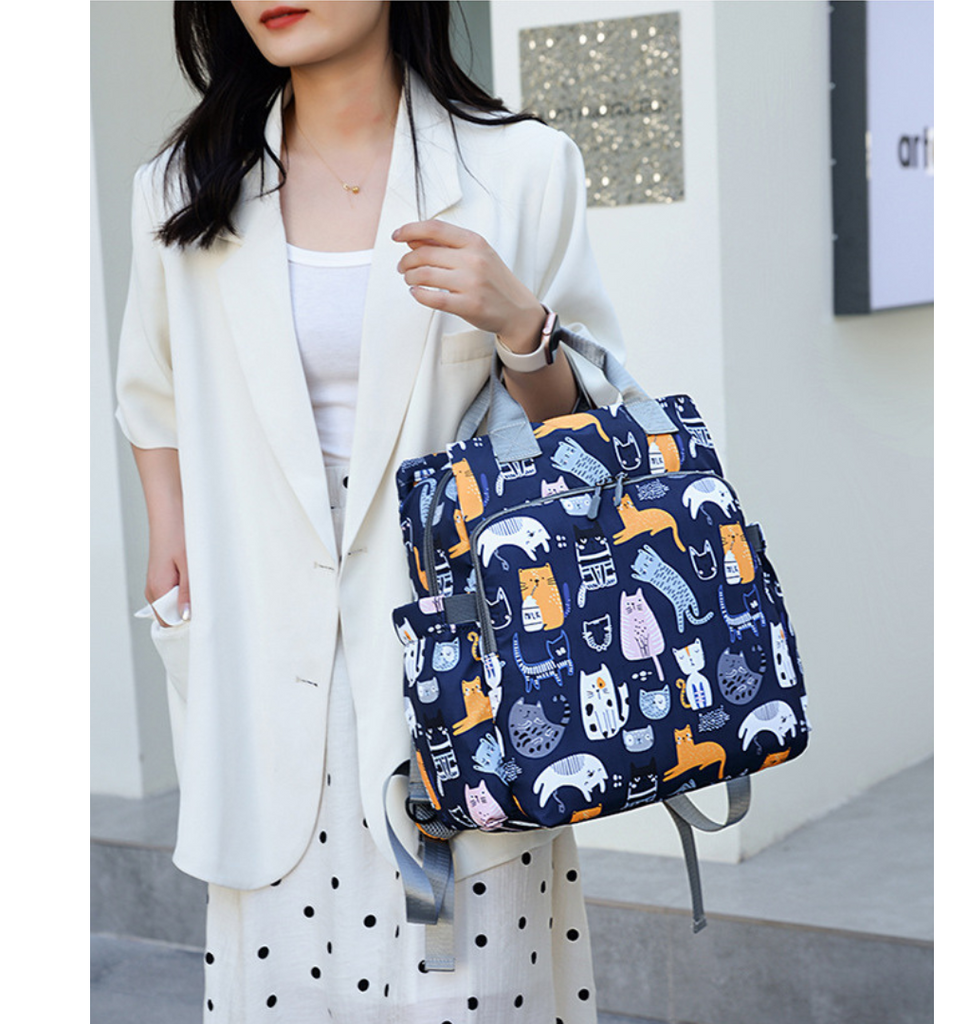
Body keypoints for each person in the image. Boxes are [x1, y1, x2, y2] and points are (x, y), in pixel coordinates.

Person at [115, 2, 626, 1020]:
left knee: (473, 983)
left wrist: (519, 326)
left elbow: (592, 443)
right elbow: (152, 389)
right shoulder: (181, 186)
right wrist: (169, 537)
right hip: (263, 658)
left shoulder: (522, 168)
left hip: (465, 666)